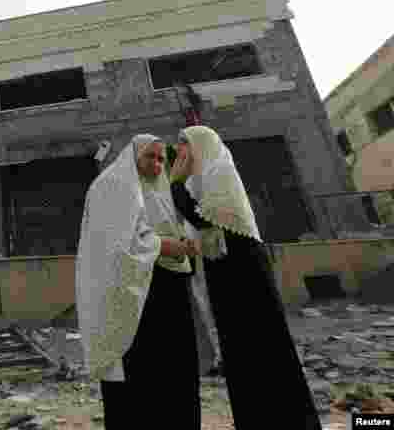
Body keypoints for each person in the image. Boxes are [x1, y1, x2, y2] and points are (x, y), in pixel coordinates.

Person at [170, 125, 321, 429]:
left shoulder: (220, 171)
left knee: (264, 344)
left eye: (184, 145)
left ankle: (292, 420)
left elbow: (204, 218)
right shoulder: (199, 183)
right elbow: (195, 227)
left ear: (201, 146)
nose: (180, 152)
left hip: (244, 268)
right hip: (224, 270)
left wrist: (175, 183)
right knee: (239, 352)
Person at [76, 135, 203, 429]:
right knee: (141, 375)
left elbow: (171, 228)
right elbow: (117, 243)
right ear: (133, 157)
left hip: (170, 289)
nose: (158, 164)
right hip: (135, 296)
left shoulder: (160, 192)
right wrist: (167, 246)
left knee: (175, 374)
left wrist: (183, 246)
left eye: (162, 159)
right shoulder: (113, 186)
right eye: (151, 157)